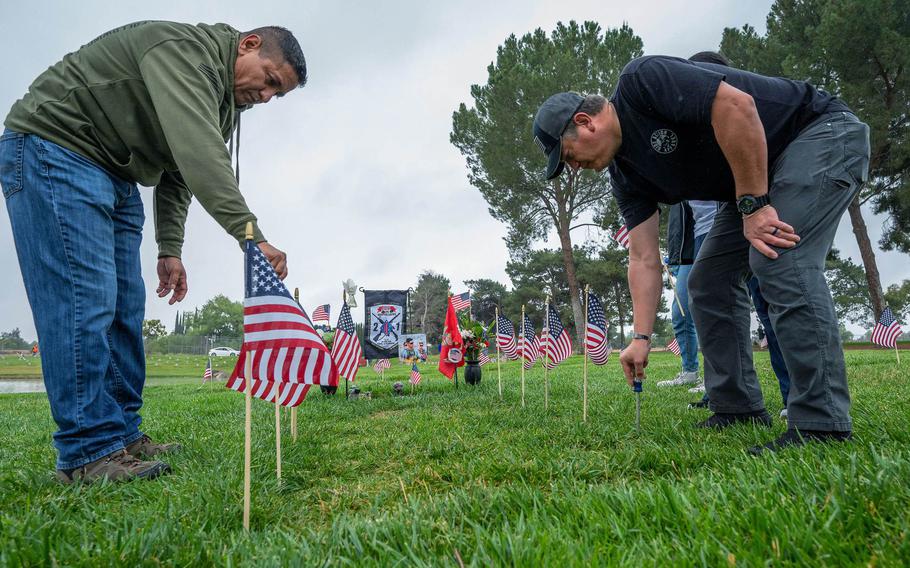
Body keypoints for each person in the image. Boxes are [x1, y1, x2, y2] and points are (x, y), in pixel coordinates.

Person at [1, 21, 306, 482]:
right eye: (268, 80)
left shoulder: (224, 105)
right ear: (248, 45)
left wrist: (170, 247)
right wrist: (251, 235)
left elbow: (180, 172)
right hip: (56, 146)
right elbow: (200, 152)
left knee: (126, 309)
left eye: (276, 94)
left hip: (117, 173)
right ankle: (87, 453)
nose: (266, 97)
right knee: (86, 303)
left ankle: (122, 436)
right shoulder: (187, 54)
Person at [533, 53, 869, 454]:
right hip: (750, 184)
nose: (573, 168)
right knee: (707, 283)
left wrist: (754, 206)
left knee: (778, 255)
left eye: (568, 156)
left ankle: (822, 422)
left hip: (817, 134)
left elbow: (736, 106)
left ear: (585, 123)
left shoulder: (641, 82)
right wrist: (640, 338)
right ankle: (737, 406)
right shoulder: (625, 175)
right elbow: (642, 258)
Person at [656, 199, 716, 387]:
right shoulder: (672, 184)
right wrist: (674, 257)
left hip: (711, 236)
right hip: (684, 255)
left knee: (709, 310)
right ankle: (690, 371)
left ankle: (715, 376)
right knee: (680, 314)